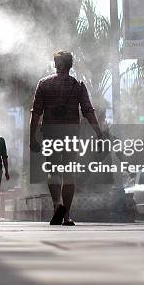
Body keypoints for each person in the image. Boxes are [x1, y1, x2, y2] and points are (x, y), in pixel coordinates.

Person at [30, 51, 103, 226]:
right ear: (70, 65)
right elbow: (88, 111)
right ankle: (67, 216)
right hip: (71, 133)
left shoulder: (44, 84)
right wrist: (99, 133)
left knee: (53, 170)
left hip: (51, 132)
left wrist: (32, 136)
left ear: (56, 64)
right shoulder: (78, 86)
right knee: (68, 173)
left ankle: (57, 204)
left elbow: (36, 113)